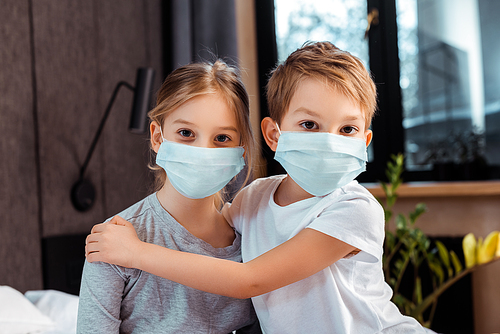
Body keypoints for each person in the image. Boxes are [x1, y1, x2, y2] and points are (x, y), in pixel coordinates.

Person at [85, 42, 430, 333]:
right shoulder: (252, 202)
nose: (328, 141)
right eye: (309, 124)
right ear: (273, 136)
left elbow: (248, 280)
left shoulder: (354, 208)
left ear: (365, 140)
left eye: (347, 130)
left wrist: (136, 253)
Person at [77, 59, 261, 334]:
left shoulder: (254, 239)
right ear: (157, 137)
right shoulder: (114, 241)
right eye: (186, 133)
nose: (203, 150)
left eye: (221, 138)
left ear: (241, 149)